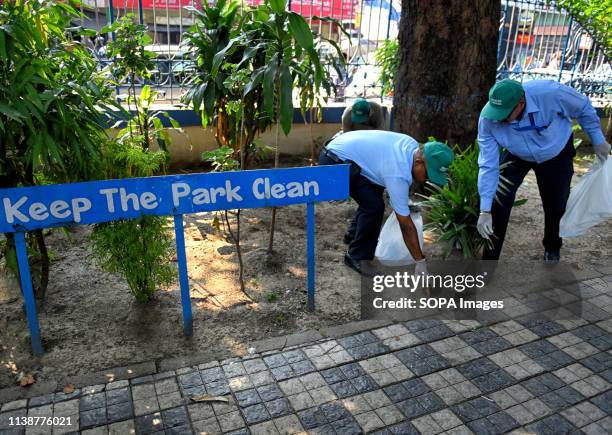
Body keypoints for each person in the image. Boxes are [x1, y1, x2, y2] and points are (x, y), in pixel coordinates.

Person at [476, 79, 610, 263]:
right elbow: (488, 165)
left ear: (521, 103)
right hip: (517, 153)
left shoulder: (551, 93)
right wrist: (484, 210)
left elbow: (583, 107)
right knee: (498, 201)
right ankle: (489, 261)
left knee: (556, 205)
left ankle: (552, 247)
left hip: (555, 150)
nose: (498, 118)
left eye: (504, 113)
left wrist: (597, 138)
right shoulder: (488, 119)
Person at [319, 130, 454, 275]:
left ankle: (352, 236)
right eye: (428, 174)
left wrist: (402, 202)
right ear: (419, 162)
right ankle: (357, 256)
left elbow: (389, 173)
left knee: (373, 193)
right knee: (374, 206)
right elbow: (406, 225)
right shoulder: (398, 172)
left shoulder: (411, 146)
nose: (427, 179)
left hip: (341, 149)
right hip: (335, 162)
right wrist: (420, 261)